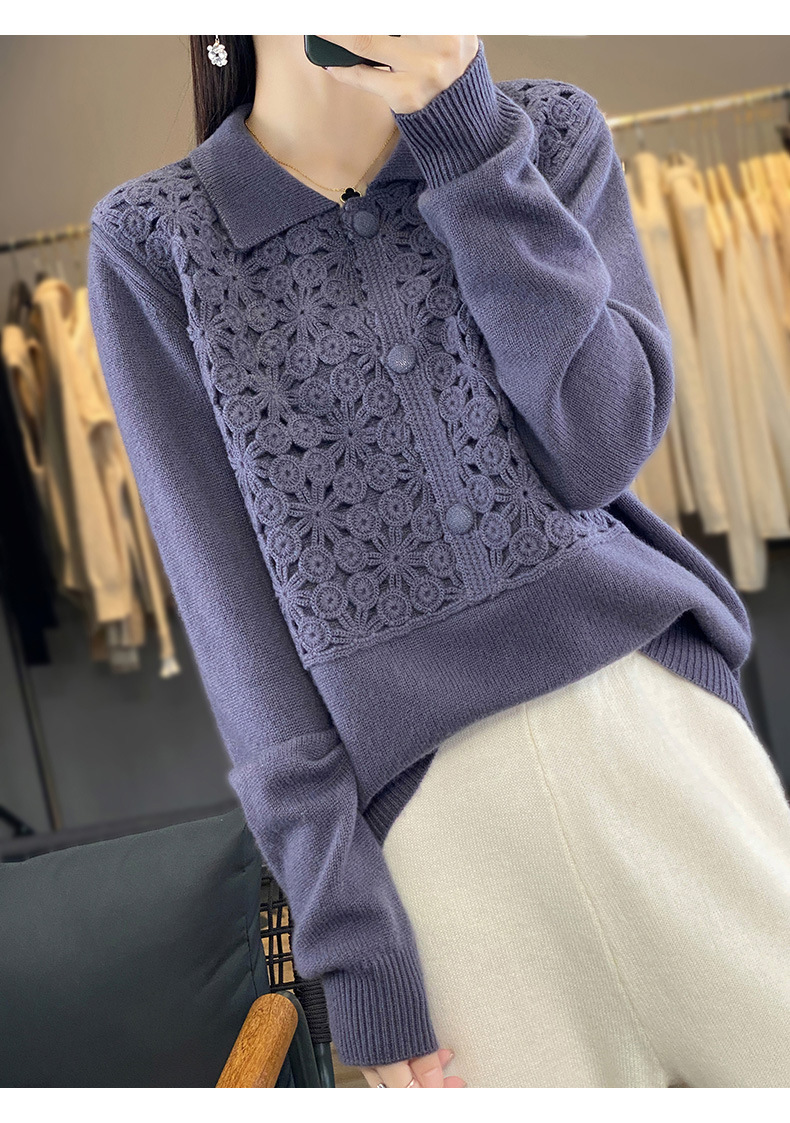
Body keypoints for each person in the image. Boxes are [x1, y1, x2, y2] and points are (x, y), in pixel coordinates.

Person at [87, 34, 790, 1088]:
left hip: (657, 742)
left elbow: (599, 446)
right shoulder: (156, 241)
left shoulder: (541, 134)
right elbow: (240, 638)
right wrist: (352, 943)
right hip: (439, 855)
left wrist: (464, 140)